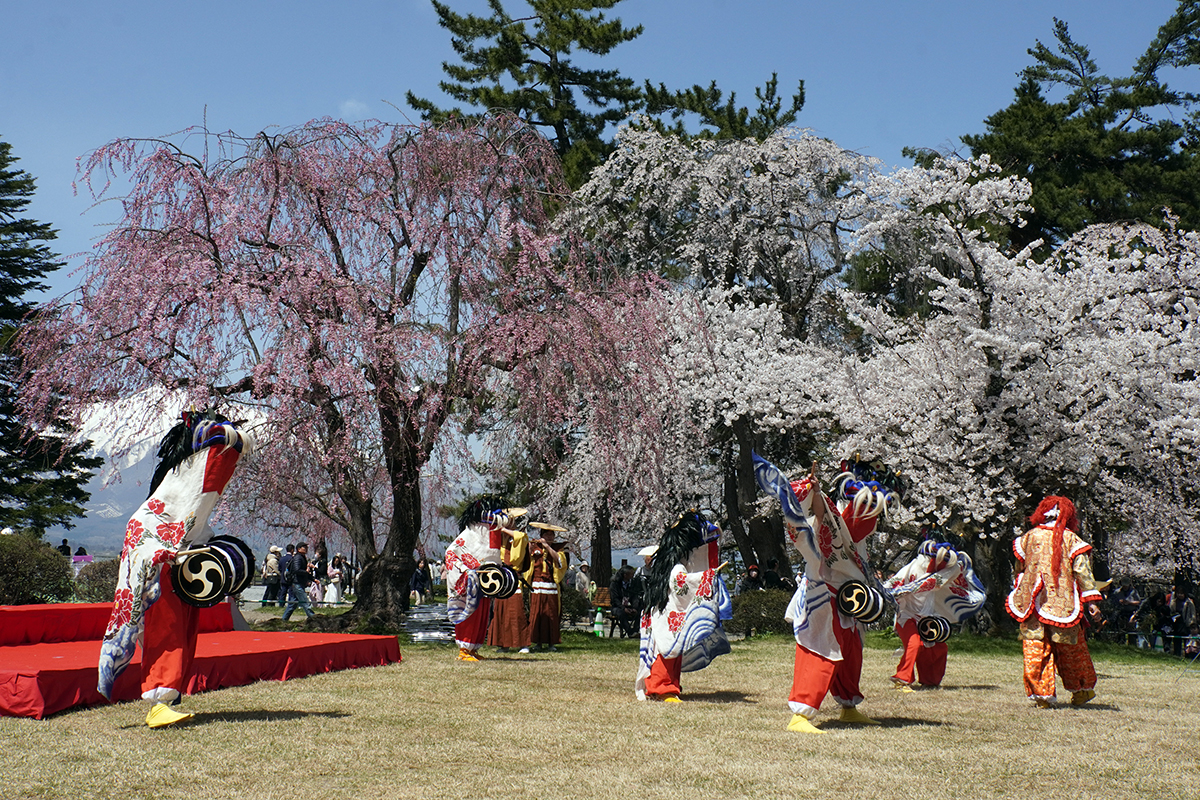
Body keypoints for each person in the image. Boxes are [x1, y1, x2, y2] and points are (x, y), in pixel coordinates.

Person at [97, 409, 252, 728]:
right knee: (164, 634)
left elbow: (197, 526)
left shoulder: (187, 509)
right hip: (158, 574)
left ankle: (171, 697)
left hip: (181, 570)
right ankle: (159, 702)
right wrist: (160, 552)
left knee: (183, 633)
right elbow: (139, 535)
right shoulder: (153, 512)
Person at [754, 452, 900, 733]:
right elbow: (824, 516)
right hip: (824, 592)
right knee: (820, 649)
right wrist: (816, 492)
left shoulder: (852, 516)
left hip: (848, 594)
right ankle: (801, 715)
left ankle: (849, 706)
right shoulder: (836, 517)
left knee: (850, 651)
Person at [1005, 495, 1102, 707]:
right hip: (1064, 603)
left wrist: (1020, 587)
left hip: (1032, 602)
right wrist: (1091, 602)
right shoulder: (1072, 539)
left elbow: (1018, 569)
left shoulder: (1028, 537)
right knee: (1071, 650)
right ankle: (1081, 690)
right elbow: (1082, 571)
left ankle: (1043, 696)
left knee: (1035, 648)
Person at [635, 510, 731, 701]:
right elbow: (681, 583)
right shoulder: (676, 567)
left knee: (670, 651)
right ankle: (661, 688)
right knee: (665, 651)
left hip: (661, 612)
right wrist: (707, 576)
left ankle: (668, 686)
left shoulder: (666, 564)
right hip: (663, 614)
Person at [884, 539, 987, 690]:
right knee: (914, 644)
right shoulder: (913, 567)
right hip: (907, 615)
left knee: (937, 648)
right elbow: (892, 584)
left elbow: (957, 569)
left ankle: (930, 681)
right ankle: (902, 679)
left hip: (930, 616)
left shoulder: (947, 571)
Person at [445, 496, 515, 662]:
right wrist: (466, 571)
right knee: (470, 614)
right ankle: (464, 650)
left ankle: (473, 648)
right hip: (470, 581)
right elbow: (451, 553)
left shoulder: (491, 531)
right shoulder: (472, 532)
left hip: (485, 581)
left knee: (483, 615)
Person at [489, 515, 531, 653]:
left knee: (516, 612)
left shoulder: (520, 536)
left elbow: (520, 537)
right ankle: (503, 644)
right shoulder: (499, 540)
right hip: (502, 580)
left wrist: (503, 529)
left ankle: (523, 644)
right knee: (501, 612)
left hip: (514, 578)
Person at [526, 522, 568, 652]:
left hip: (551, 586)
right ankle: (537, 642)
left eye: (551, 534)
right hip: (537, 585)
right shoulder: (534, 546)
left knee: (551, 614)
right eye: (546, 534)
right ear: (541, 535)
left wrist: (547, 547)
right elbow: (526, 561)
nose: (549, 537)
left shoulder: (558, 549)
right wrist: (529, 548)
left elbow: (560, 563)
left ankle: (551, 643)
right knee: (536, 613)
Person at [281, 542, 317, 622]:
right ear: (299, 549)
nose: (306, 549)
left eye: (306, 547)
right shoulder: (298, 558)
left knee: (292, 604)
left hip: (297, 583)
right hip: (297, 583)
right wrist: (306, 571)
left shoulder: (302, 557)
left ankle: (284, 620)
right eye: (304, 547)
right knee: (305, 602)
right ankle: (314, 619)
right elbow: (296, 570)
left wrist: (313, 579)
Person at [609, 565, 640, 638]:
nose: (633, 576)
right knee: (621, 613)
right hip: (617, 607)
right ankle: (630, 632)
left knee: (640, 612)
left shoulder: (631, 584)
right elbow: (615, 599)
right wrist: (623, 608)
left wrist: (635, 607)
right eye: (631, 574)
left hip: (628, 606)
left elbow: (634, 597)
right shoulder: (615, 584)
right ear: (625, 575)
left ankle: (635, 630)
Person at [1170, 584, 1197, 658]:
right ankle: (1176, 655)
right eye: (1178, 593)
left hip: (1186, 623)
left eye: (1181, 593)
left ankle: (1187, 655)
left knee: (1186, 641)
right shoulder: (1173, 602)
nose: (1180, 595)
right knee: (1176, 640)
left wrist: (1192, 623)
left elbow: (1193, 614)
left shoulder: (1189, 602)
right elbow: (1170, 611)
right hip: (1176, 623)